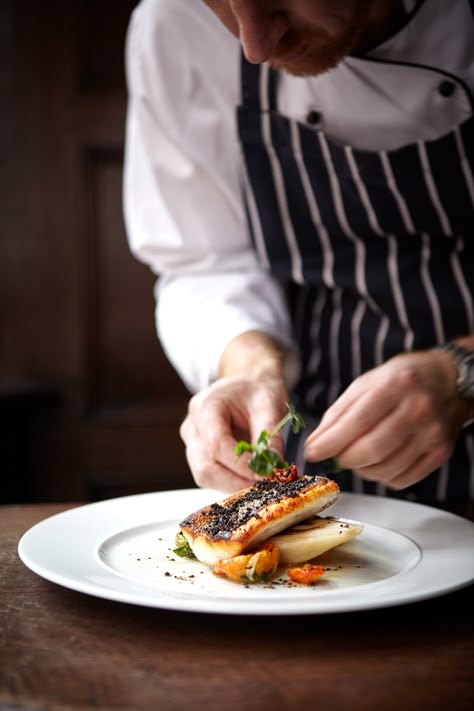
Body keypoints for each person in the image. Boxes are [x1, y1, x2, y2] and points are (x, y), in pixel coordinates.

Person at [123, 0, 474, 509]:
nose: (255, 44)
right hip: (327, 480)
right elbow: (204, 261)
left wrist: (461, 372)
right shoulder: (176, 23)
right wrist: (249, 367)